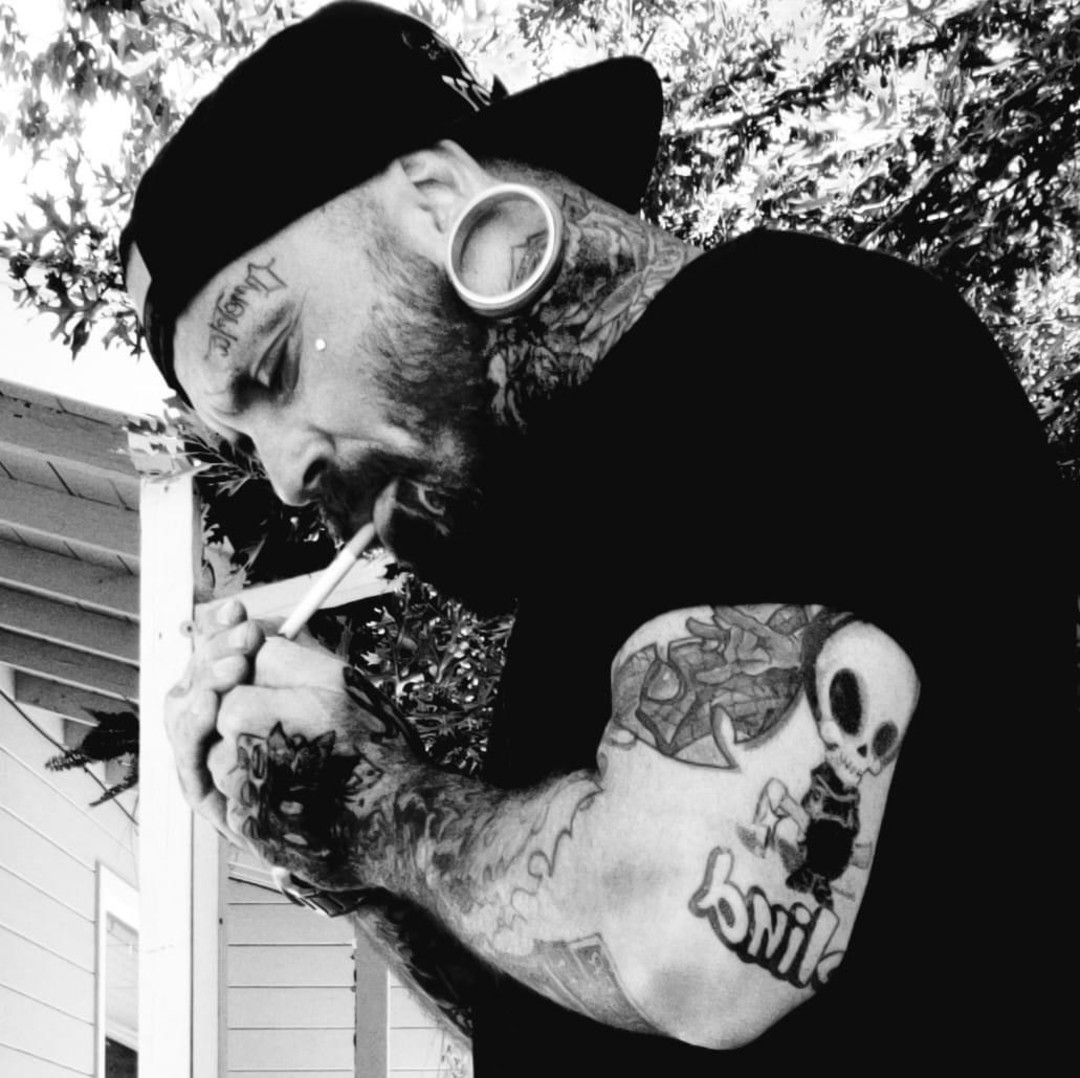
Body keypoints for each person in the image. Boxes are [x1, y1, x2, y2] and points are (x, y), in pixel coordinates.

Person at [121, 1, 1074, 1071]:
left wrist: (372, 803)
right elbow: (575, 1008)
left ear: (437, 200)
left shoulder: (783, 341)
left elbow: (697, 955)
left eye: (277, 366)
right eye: (243, 440)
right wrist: (349, 855)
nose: (286, 477)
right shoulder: (611, 549)